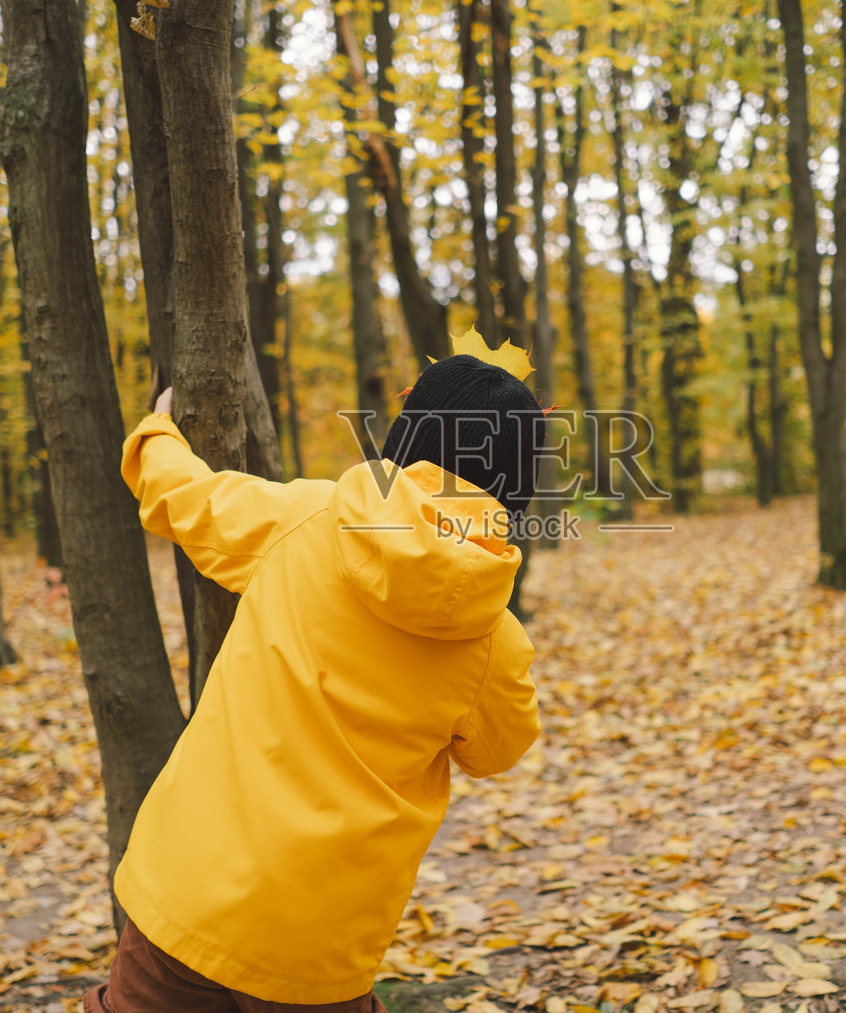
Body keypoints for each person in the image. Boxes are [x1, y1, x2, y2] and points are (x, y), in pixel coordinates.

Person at [85, 350, 545, 1013]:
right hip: (319, 946)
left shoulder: (311, 516)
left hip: (187, 897)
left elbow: (189, 499)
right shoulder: (492, 640)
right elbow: (500, 749)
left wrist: (158, 430)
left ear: (409, 436)